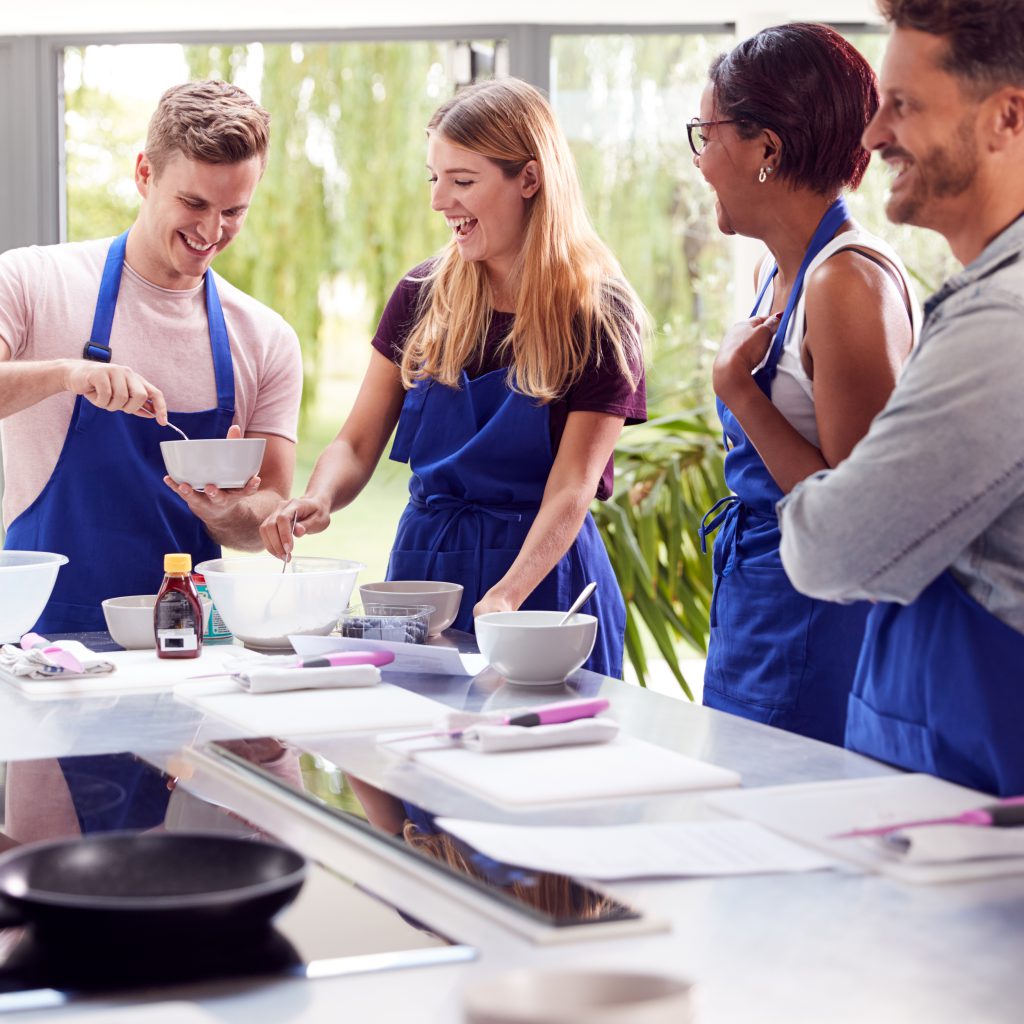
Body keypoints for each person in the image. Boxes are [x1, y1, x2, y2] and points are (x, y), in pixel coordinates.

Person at [261, 78, 646, 677]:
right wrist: (319, 496)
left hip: (540, 578)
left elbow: (573, 485)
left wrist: (509, 597)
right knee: (417, 753)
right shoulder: (421, 296)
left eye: (462, 181)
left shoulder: (598, 314)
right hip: (426, 568)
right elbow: (357, 442)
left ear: (530, 178)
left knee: (545, 754)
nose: (440, 201)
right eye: (433, 178)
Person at [779, 0, 1024, 794]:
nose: (872, 136)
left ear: (1006, 118)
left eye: (903, 106)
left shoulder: (1005, 319)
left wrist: (819, 501)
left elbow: (833, 548)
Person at [0, 80, 302, 634]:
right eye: (193, 203)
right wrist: (67, 374)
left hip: (185, 646)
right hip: (40, 640)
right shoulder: (33, 280)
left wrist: (227, 513)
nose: (212, 232)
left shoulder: (266, 338)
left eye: (234, 211)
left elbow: (269, 511)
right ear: (145, 173)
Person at [693, 24, 919, 744]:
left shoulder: (846, 282)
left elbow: (857, 518)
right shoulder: (775, 273)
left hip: (814, 620)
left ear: (766, 147)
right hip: (757, 606)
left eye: (707, 135)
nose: (700, 165)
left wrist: (740, 393)